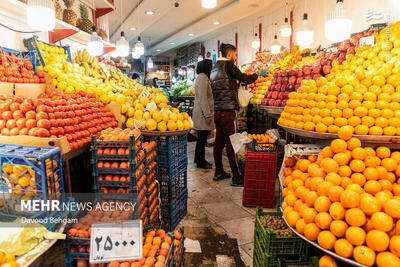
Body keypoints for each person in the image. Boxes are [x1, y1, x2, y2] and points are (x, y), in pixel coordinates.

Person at [210, 43, 258, 186]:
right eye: (236, 55)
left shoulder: (214, 68)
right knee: (232, 143)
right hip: (228, 111)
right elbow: (245, 78)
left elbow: (224, 86)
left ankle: (219, 171)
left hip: (218, 112)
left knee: (219, 143)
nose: (236, 58)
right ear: (229, 54)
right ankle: (236, 176)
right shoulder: (228, 65)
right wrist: (257, 74)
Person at [193, 59, 214, 169]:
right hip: (202, 114)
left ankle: (199, 159)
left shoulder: (204, 78)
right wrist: (207, 114)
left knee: (201, 138)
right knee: (201, 138)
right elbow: (203, 98)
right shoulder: (202, 79)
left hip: (202, 112)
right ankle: (200, 162)